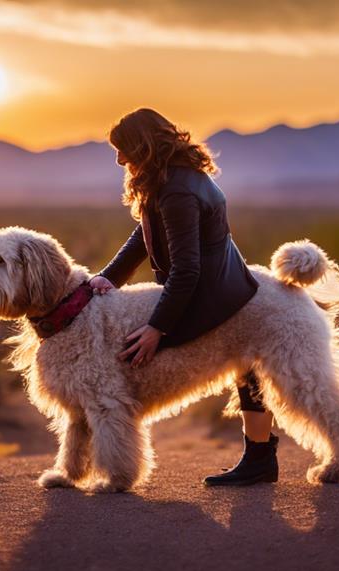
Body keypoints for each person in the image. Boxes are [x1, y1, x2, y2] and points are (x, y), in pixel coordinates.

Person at [90, 107, 279, 487]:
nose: (118, 158)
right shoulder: (172, 179)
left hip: (210, 295)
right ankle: (260, 459)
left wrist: (156, 327)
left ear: (143, 146)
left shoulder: (176, 190)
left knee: (146, 354)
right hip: (225, 285)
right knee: (250, 369)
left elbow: (187, 269)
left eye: (123, 149)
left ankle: (260, 459)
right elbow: (143, 237)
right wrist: (108, 278)